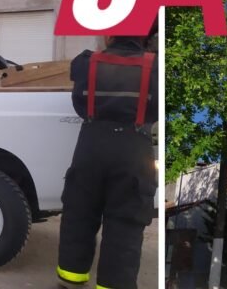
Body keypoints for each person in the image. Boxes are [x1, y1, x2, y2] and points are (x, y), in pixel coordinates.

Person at [56, 27, 159, 289]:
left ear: (109, 35)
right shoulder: (156, 66)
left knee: (78, 215)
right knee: (126, 223)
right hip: (134, 147)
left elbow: (79, 101)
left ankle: (70, 280)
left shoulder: (86, 62)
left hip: (91, 144)